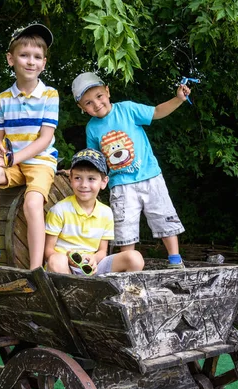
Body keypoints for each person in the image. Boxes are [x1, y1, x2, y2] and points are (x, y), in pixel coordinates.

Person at [71, 72, 190, 268]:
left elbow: (157, 112)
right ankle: (128, 266)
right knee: (124, 227)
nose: (96, 104)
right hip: (120, 184)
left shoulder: (127, 109)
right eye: (88, 103)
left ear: (107, 91)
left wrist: (178, 99)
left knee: (163, 216)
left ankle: (175, 260)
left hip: (150, 176)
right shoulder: (92, 128)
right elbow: (96, 159)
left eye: (99, 96)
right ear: (81, 107)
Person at [0, 23, 59, 269]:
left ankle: (36, 269)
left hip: (40, 161)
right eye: (24, 55)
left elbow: (45, 139)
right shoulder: (3, 99)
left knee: (32, 203)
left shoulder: (50, 95)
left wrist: (10, 159)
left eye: (37, 57)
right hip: (14, 161)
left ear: (44, 63)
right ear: (11, 59)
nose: (31, 62)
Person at [44, 148, 144, 275]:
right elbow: (48, 251)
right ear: (70, 178)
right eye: (78, 178)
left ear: (103, 182)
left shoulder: (106, 213)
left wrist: (94, 259)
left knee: (135, 258)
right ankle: (73, 291)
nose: (84, 185)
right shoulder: (59, 210)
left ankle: (121, 291)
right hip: (65, 269)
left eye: (91, 179)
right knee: (56, 259)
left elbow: (103, 251)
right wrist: (68, 259)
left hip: (92, 266)